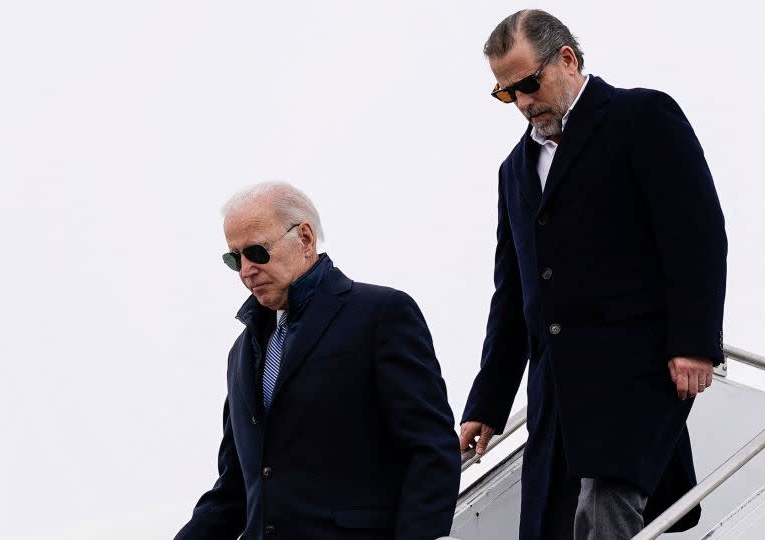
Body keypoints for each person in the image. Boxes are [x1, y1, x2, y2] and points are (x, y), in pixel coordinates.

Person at [458, 9, 727, 540]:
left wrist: (694, 342)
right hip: (555, 390)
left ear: (567, 58)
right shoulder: (513, 171)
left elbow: (695, 232)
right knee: (549, 526)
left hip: (634, 370)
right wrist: (487, 402)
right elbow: (513, 294)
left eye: (529, 84)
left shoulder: (642, 116)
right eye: (506, 94)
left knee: (606, 508)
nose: (523, 102)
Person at [175, 181, 461, 540]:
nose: (246, 270)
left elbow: (430, 450)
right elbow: (235, 489)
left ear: (305, 239)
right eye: (235, 258)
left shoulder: (380, 315)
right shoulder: (240, 354)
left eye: (257, 252)